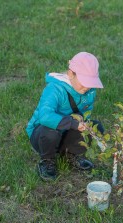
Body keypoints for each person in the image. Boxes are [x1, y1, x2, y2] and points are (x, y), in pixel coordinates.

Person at [26, 52, 104, 181]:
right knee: (50, 129)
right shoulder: (55, 89)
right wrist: (73, 124)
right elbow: (45, 117)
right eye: (84, 81)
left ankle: (72, 154)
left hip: (66, 131)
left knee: (95, 126)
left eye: (90, 82)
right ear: (70, 74)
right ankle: (47, 161)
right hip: (42, 136)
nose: (87, 87)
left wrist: (83, 122)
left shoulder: (90, 91)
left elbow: (86, 112)